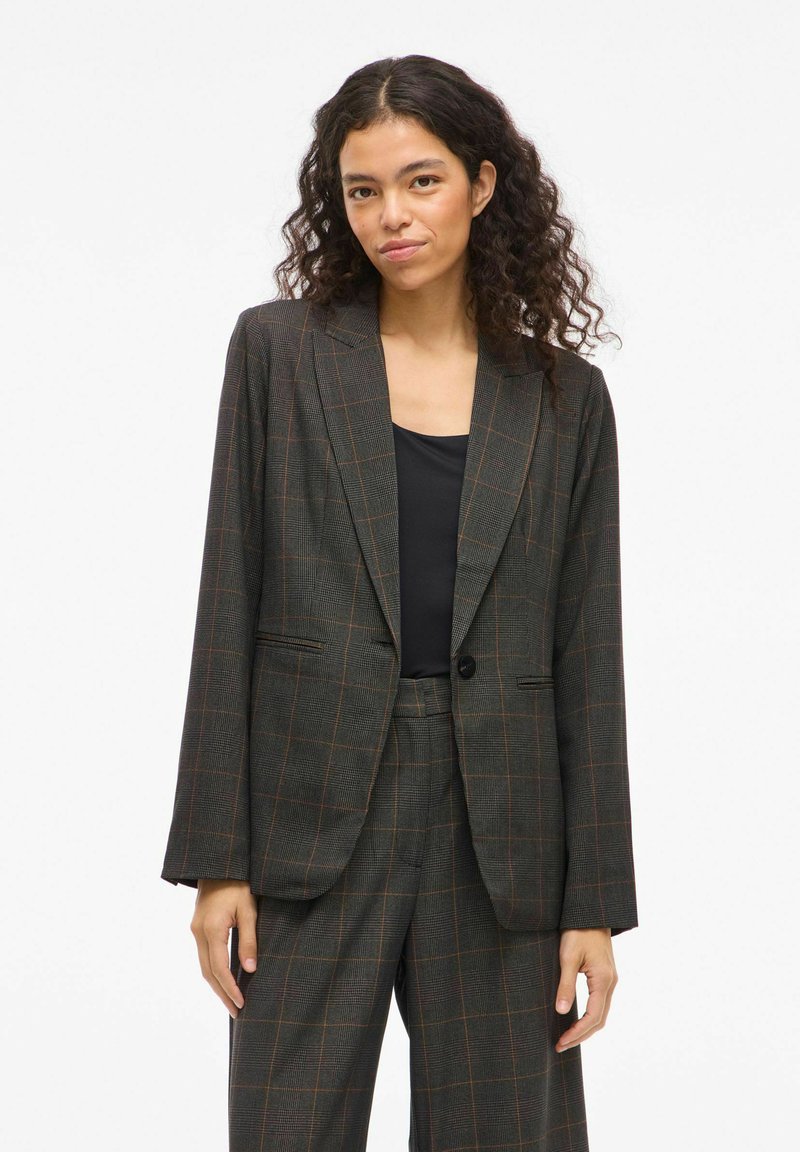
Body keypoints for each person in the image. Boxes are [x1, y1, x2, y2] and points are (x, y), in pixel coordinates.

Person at [161, 53, 638, 1152]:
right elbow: (227, 600)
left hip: (503, 834)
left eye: (421, 181)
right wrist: (217, 859)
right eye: (363, 189)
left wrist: (594, 902)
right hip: (309, 813)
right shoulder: (279, 354)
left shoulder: (564, 400)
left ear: (482, 184)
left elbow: (589, 656)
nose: (392, 215)